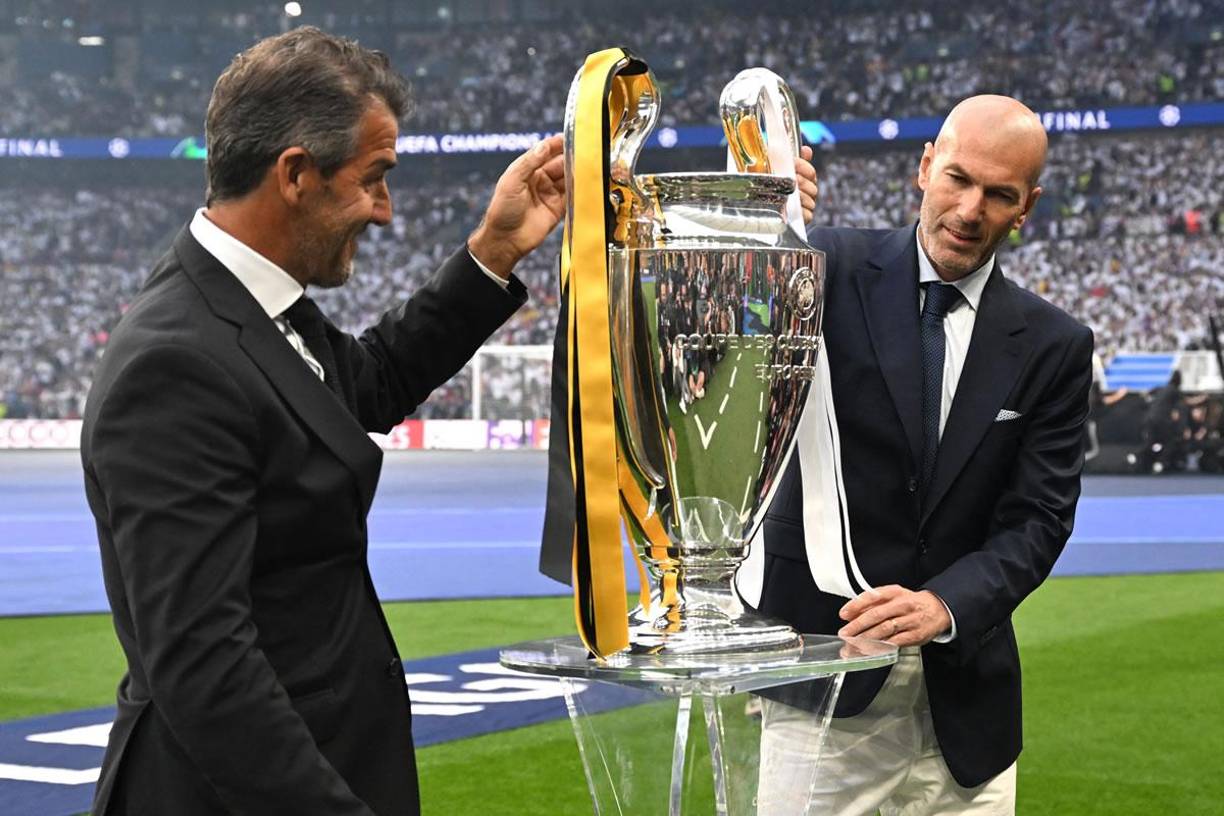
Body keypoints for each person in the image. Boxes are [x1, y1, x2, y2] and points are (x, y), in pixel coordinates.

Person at [80, 27, 564, 816]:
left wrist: (495, 250)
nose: (385, 211)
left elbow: (366, 384)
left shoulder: (257, 306)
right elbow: (205, 670)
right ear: (297, 174)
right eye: (375, 178)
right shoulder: (175, 365)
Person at [757, 95, 1094, 814]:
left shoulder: (1055, 345)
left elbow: (1039, 519)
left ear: (1026, 206)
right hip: (823, 680)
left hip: (967, 710)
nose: (971, 210)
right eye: (958, 179)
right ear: (925, 168)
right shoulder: (822, 268)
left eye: (999, 195)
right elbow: (716, 352)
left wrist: (944, 604)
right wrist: (757, 224)